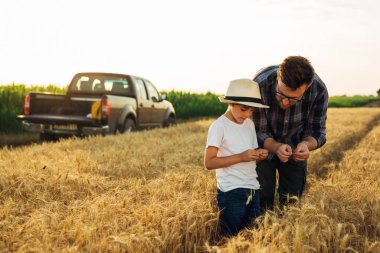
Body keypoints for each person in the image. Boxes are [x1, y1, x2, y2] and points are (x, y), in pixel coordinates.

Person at [252, 56, 328, 211]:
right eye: (281, 94)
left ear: (307, 87)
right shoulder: (259, 84)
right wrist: (277, 146)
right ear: (278, 78)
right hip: (263, 148)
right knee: (262, 197)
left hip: (296, 148)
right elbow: (257, 131)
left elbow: (317, 131)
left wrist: (306, 145)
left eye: (293, 99)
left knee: (292, 200)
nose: (285, 102)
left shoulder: (319, 90)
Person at [204, 79, 270, 236]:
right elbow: (209, 162)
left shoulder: (249, 124)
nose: (247, 114)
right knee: (230, 238)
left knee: (252, 237)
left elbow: (251, 154)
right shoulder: (219, 126)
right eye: (244, 109)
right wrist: (241, 157)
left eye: (251, 110)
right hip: (231, 191)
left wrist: (260, 154)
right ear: (231, 103)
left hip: (253, 188)